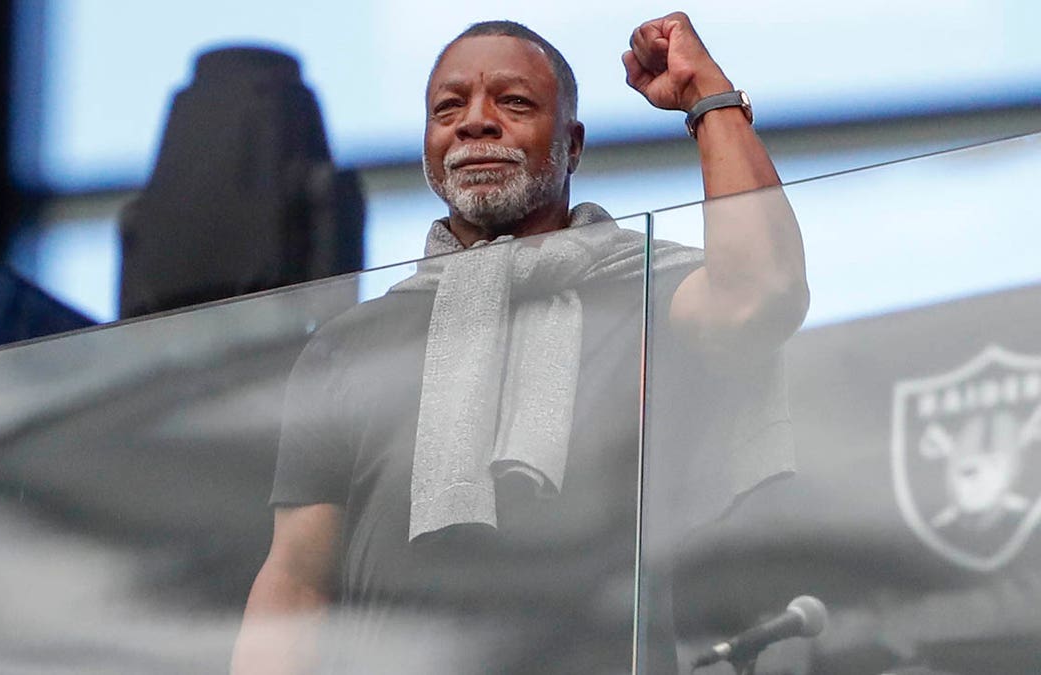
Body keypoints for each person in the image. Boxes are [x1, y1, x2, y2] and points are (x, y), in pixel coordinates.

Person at [232, 12, 808, 674]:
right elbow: (295, 580)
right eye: (450, 106)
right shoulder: (352, 342)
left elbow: (762, 291)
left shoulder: (645, 289)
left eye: (513, 102)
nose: (475, 121)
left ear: (573, 145)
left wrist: (707, 96)